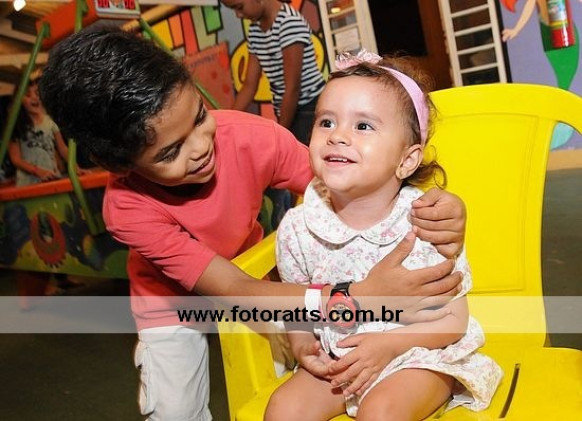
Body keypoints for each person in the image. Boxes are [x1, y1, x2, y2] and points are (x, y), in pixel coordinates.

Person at [40, 27, 468, 421]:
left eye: (199, 116)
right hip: (177, 300)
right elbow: (232, 289)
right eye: (170, 152)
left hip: (257, 277)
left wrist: (439, 205)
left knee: (281, 380)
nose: (200, 147)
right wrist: (356, 296)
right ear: (120, 165)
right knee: (175, 410)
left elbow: (355, 181)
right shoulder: (128, 208)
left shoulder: (251, 137)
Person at [266, 52, 503, 421]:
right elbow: (300, 309)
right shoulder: (298, 228)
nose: (337, 136)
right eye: (326, 122)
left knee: (380, 413)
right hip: (340, 358)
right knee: (283, 411)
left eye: (363, 126)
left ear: (406, 160)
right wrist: (302, 346)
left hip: (417, 355)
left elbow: (453, 321)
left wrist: (390, 344)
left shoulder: (426, 222)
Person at [8, 76, 87, 295]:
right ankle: (41, 284)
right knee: (36, 233)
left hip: (50, 180)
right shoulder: (17, 126)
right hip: (29, 186)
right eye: (27, 95)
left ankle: (62, 277)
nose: (34, 98)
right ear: (19, 100)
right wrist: (37, 171)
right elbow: (15, 158)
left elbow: (62, 149)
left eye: (36, 93)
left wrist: (75, 167)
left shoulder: (49, 121)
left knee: (55, 228)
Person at [221, 0, 325, 145]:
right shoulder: (255, 30)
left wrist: (280, 134)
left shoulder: (289, 23)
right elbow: (249, 86)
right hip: (286, 109)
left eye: (239, 7)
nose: (238, 15)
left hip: (309, 108)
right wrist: (226, 122)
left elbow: (292, 88)